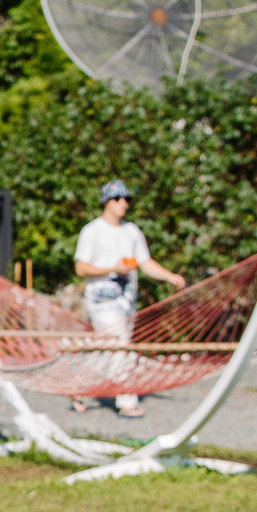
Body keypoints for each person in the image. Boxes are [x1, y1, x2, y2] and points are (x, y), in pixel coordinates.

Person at [71, 178, 186, 416]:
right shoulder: (92, 231)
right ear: (106, 202)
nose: (124, 203)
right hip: (102, 302)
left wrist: (169, 276)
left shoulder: (132, 231)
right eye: (118, 198)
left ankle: (77, 382)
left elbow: (145, 262)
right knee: (120, 345)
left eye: (127, 198)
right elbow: (81, 268)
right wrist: (112, 268)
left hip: (126, 302)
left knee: (108, 349)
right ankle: (126, 402)